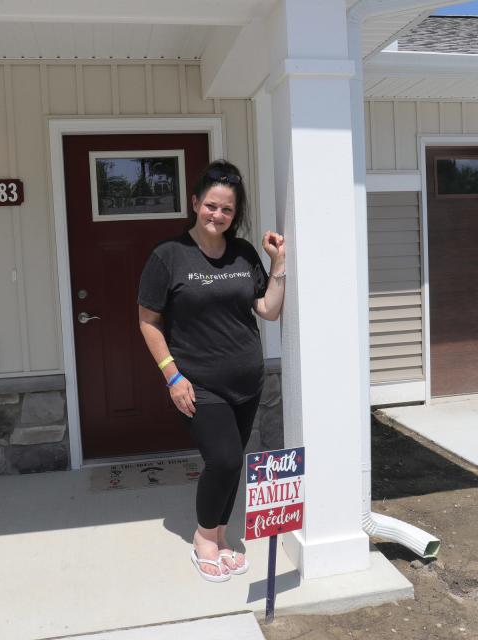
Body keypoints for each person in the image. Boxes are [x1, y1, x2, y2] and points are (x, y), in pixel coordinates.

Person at [137, 160, 286, 582]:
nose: (217, 215)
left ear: (234, 214)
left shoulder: (243, 254)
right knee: (221, 459)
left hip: (247, 381)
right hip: (198, 383)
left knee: (233, 461)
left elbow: (268, 310)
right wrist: (172, 375)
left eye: (227, 209)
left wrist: (277, 263)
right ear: (195, 203)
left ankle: (221, 537)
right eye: (211, 205)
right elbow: (148, 321)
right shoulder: (168, 256)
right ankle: (204, 539)